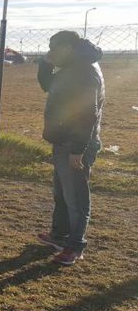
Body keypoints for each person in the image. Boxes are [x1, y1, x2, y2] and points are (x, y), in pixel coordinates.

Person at [36, 31, 104, 266]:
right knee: (62, 193)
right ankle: (60, 236)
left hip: (76, 144)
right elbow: (47, 85)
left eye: (54, 49)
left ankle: (76, 245)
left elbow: (87, 114)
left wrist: (77, 150)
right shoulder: (69, 68)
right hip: (62, 140)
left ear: (67, 48)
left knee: (76, 197)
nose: (50, 53)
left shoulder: (85, 71)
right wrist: (45, 64)